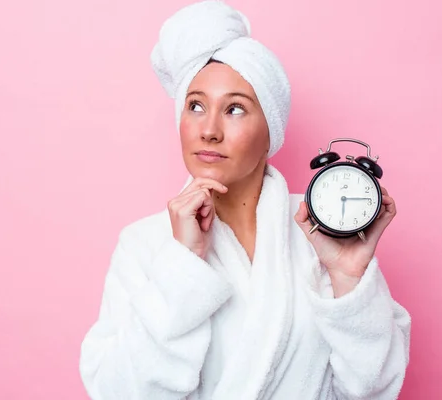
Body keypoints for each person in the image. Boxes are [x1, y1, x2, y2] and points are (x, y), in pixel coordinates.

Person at [79, 1, 411, 399]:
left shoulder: (320, 230)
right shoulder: (144, 245)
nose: (209, 131)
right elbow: (119, 391)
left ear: (270, 129)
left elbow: (375, 387)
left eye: (235, 108)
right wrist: (183, 263)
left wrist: (348, 278)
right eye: (195, 106)